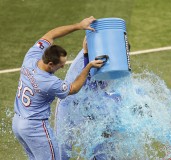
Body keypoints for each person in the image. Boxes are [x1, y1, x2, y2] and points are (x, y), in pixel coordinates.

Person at [12, 16, 104, 160]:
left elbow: (51, 34)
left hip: (18, 124)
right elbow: (73, 88)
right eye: (60, 65)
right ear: (50, 63)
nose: (63, 66)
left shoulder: (31, 57)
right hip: (35, 128)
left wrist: (79, 25)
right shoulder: (48, 82)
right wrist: (89, 66)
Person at [55, 36, 121, 160]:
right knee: (63, 148)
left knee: (102, 151)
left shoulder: (110, 61)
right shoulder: (91, 59)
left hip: (90, 103)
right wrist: (86, 55)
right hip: (70, 104)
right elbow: (87, 86)